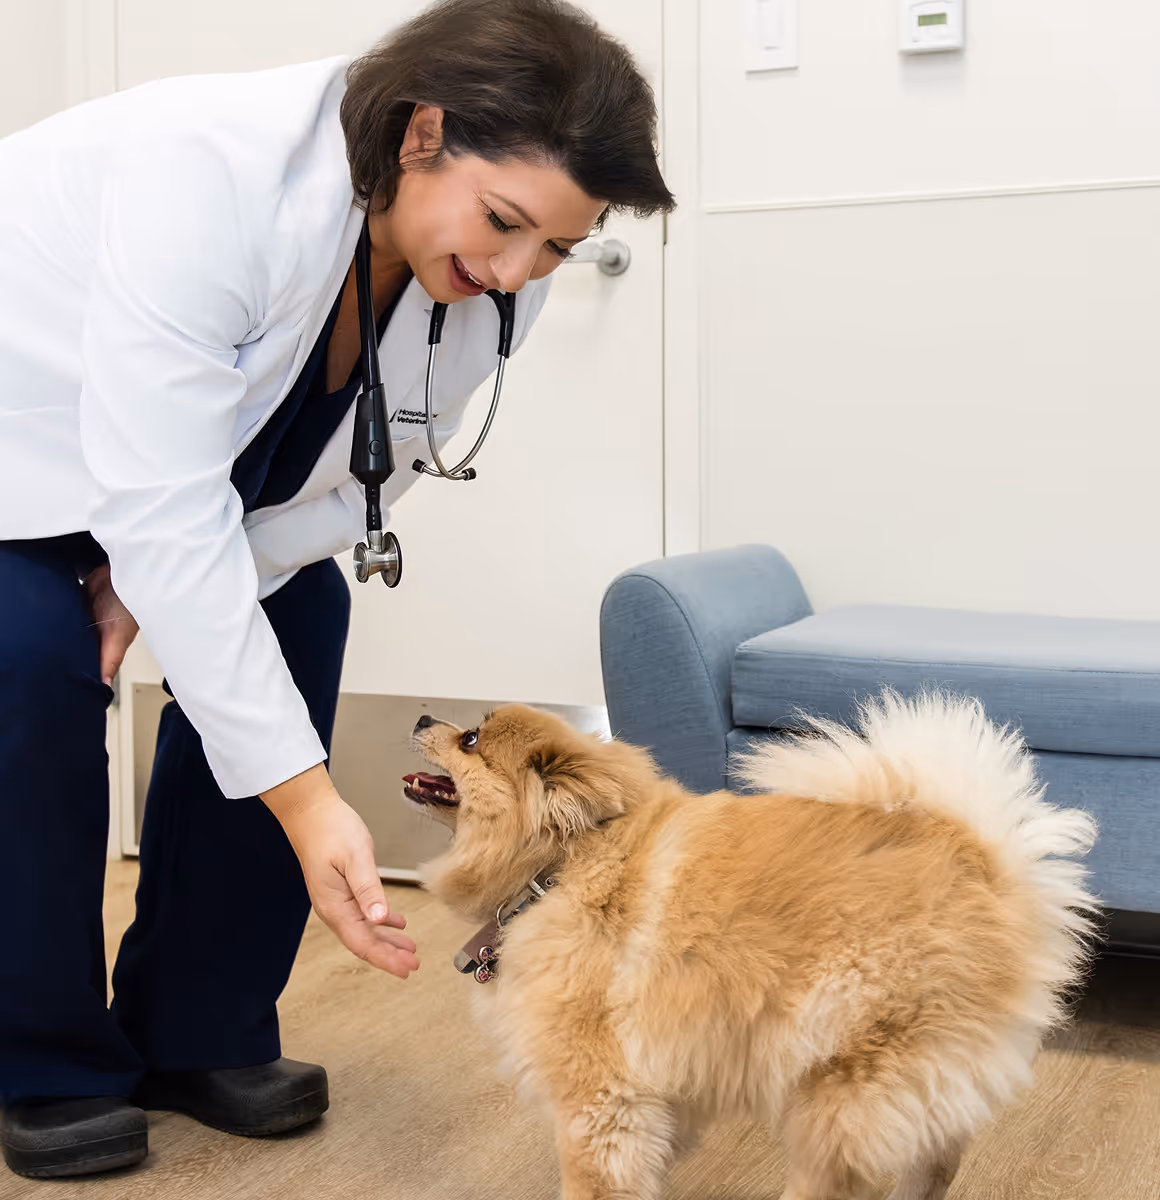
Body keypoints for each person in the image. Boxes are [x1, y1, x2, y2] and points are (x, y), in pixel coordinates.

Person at [0, 0, 674, 1179]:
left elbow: (383, 465)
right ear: (419, 134)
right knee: (31, 665)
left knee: (297, 620)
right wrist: (313, 806)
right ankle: (43, 1055)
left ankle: (198, 1030)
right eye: (505, 226)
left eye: (555, 247)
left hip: (195, 466)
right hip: (28, 437)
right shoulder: (208, 175)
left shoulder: (501, 257)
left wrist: (189, 576)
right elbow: (159, 500)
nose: (515, 274)